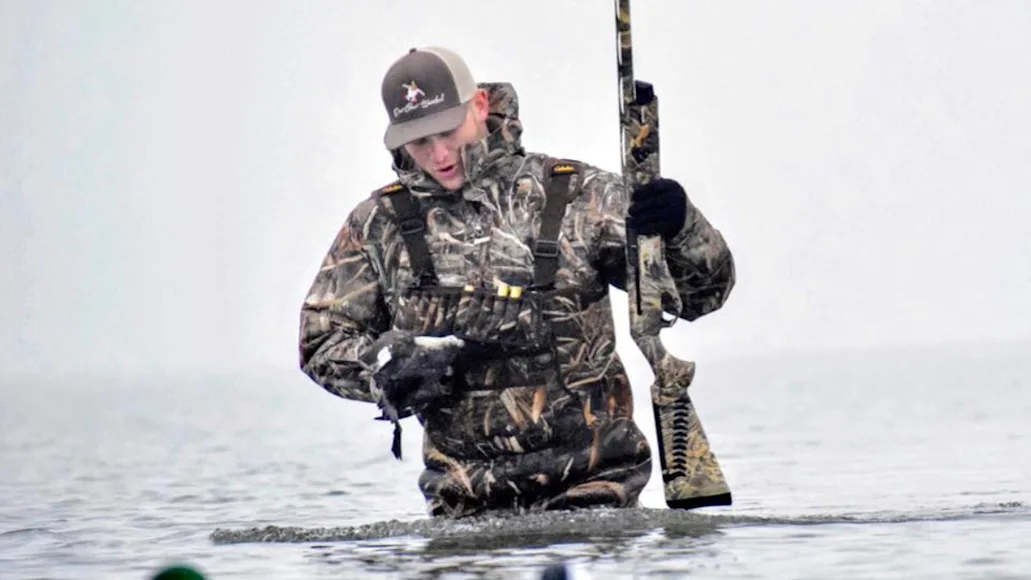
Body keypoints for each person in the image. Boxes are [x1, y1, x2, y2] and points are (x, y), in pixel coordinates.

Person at [298, 46, 735, 519]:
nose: (439, 154)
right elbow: (320, 341)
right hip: (460, 516)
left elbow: (702, 295)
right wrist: (387, 368)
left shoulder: (576, 195)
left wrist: (682, 227)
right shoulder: (378, 224)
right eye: (420, 142)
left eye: (447, 131)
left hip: (599, 503)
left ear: (480, 105)